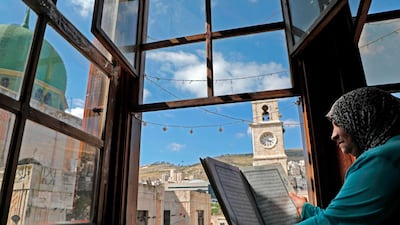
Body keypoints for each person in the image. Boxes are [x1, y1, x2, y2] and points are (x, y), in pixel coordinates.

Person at [289, 86, 400, 224]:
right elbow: (349, 216)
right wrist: (306, 209)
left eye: (338, 124)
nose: (333, 135)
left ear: (362, 117)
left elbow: (333, 222)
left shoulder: (382, 158)